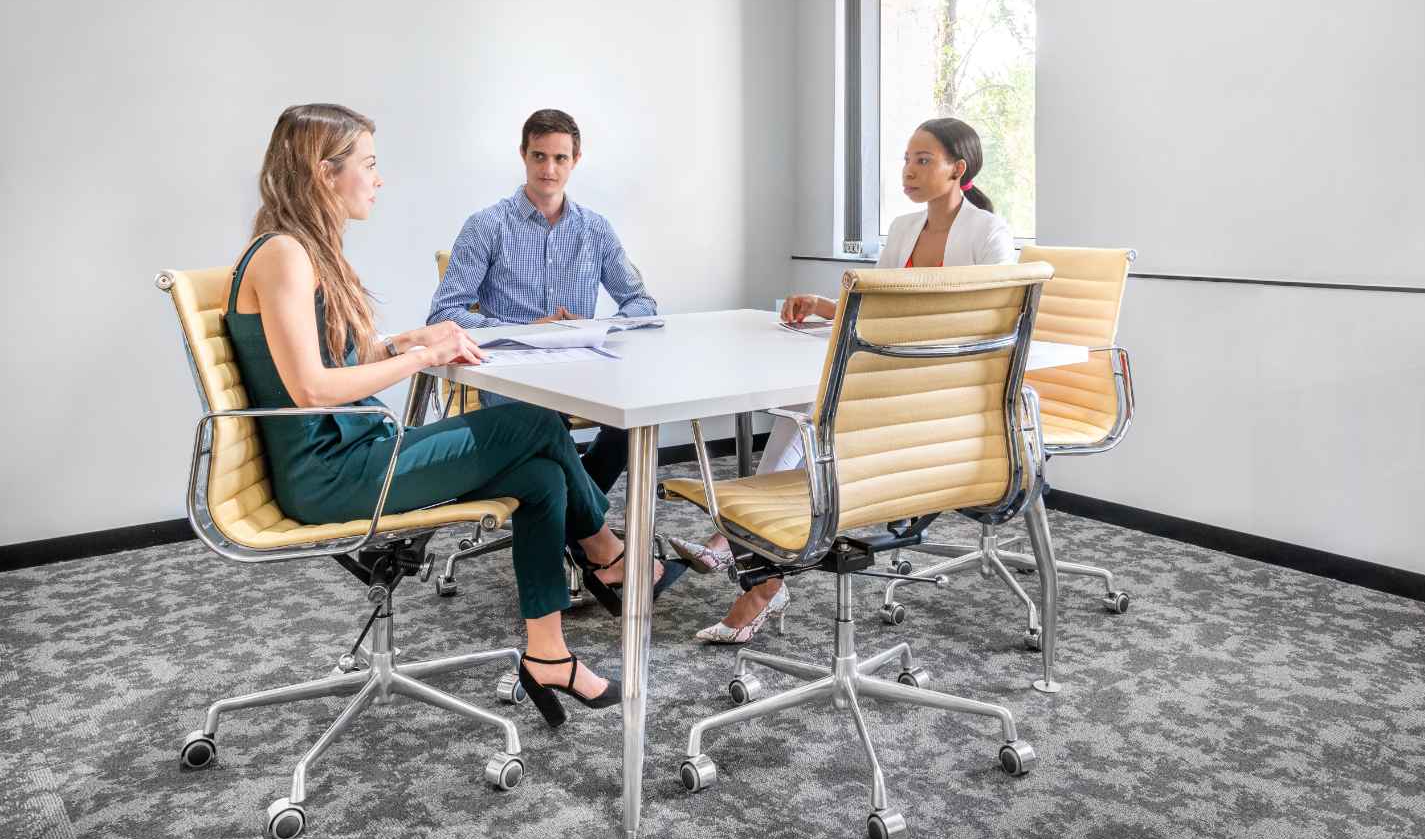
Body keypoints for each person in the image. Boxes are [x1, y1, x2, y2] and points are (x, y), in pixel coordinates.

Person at [224, 103, 677, 727]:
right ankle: (606, 550)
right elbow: (311, 389)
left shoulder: (301, 251)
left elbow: (332, 358)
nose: (378, 179)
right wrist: (422, 358)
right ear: (324, 172)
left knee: (542, 478)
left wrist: (401, 343)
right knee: (534, 421)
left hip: (357, 452)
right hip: (333, 474)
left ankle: (549, 654)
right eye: (369, 165)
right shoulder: (285, 254)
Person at [669, 116, 1017, 643]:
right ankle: (748, 561)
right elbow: (875, 308)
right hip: (888, 373)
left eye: (923, 160)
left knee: (816, 414)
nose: (908, 170)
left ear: (957, 169)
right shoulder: (904, 228)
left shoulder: (988, 232)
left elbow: (994, 325)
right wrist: (823, 305)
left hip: (942, 390)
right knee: (803, 412)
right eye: (906, 159)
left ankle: (742, 557)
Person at [427, 108, 656, 494]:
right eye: (539, 156)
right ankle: (584, 519)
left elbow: (641, 304)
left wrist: (595, 327)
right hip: (511, 372)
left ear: (575, 160)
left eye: (560, 158)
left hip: (582, 366)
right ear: (523, 155)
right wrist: (523, 331)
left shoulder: (595, 229)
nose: (549, 169)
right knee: (545, 422)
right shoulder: (486, 226)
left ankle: (576, 511)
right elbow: (443, 315)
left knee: (641, 413)